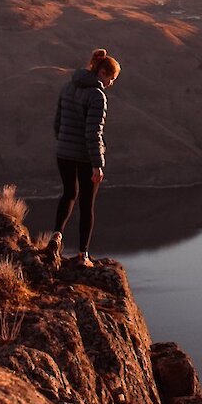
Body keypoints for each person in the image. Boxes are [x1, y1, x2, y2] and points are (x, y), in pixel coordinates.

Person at [46, 47, 120, 267]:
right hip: (85, 156)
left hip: (64, 153)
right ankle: (82, 255)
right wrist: (98, 164)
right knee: (87, 204)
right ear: (103, 73)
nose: (111, 83)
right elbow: (93, 133)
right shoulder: (97, 96)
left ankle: (56, 236)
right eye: (112, 78)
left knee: (68, 194)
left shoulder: (68, 87)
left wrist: (64, 141)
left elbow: (57, 123)